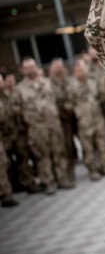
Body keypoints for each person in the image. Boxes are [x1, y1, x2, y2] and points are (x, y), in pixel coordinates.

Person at [14, 58, 73, 194]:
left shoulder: (47, 83)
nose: (31, 69)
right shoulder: (20, 89)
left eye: (33, 66)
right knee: (42, 156)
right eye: (27, 67)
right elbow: (16, 109)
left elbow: (59, 100)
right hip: (36, 127)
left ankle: (62, 179)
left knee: (59, 152)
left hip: (53, 123)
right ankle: (49, 182)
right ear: (22, 71)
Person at [66, 60, 105, 180]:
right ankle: (92, 170)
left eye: (83, 68)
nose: (81, 71)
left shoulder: (93, 81)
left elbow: (101, 96)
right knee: (88, 147)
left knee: (103, 143)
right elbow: (69, 105)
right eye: (78, 70)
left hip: (98, 118)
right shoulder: (71, 86)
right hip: (84, 121)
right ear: (75, 72)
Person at [0, 73, 38, 193]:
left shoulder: (10, 95)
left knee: (23, 158)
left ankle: (30, 183)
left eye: (1, 81)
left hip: (17, 132)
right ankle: (12, 187)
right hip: (4, 135)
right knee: (7, 163)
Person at [48, 58, 79, 183]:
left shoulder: (70, 81)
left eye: (60, 66)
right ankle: (66, 173)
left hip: (73, 117)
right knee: (64, 146)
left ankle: (73, 169)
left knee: (72, 144)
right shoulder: (48, 83)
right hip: (58, 120)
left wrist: (70, 104)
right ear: (51, 69)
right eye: (56, 66)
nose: (58, 68)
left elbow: (74, 95)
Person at [0, 75, 19, 207]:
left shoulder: (7, 96)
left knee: (5, 163)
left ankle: (9, 192)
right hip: (3, 135)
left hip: (11, 132)